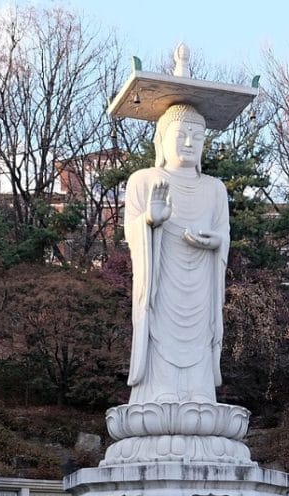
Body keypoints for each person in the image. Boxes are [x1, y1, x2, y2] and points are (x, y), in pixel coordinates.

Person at [124, 103, 230, 405]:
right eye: (181, 134)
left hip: (201, 284)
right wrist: (149, 220)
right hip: (162, 281)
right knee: (161, 329)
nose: (189, 142)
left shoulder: (215, 189)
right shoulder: (143, 180)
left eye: (197, 137)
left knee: (200, 336)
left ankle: (200, 391)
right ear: (161, 139)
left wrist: (216, 242)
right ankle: (159, 391)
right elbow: (131, 232)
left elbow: (223, 233)